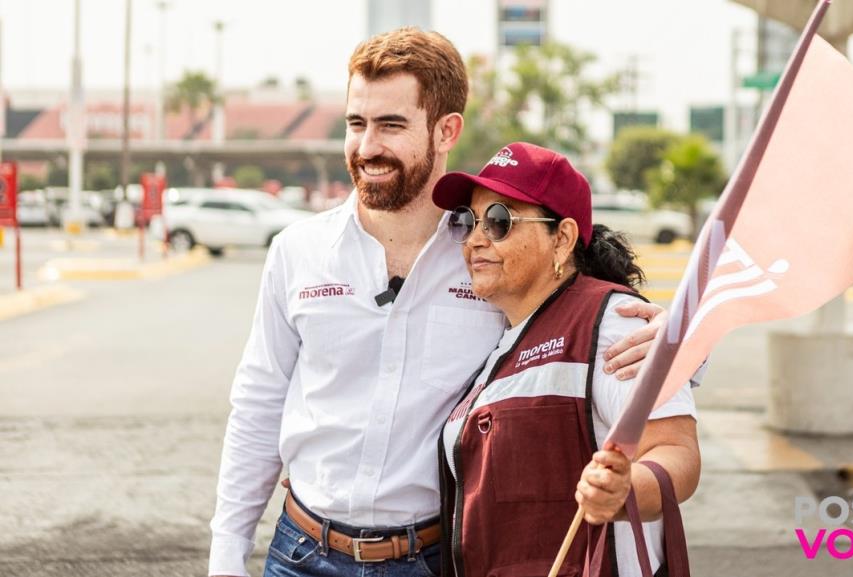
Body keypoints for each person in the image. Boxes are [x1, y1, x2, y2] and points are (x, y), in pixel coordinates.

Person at [208, 28, 666, 577]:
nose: (367, 146)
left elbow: (590, 315)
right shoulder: (295, 252)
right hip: (299, 553)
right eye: (357, 124)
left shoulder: (488, 254)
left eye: (392, 125)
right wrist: (227, 556)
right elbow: (258, 408)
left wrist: (675, 343)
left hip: (433, 559)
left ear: (446, 130)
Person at [433, 142, 702, 577]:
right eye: (468, 221)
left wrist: (625, 491)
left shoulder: (613, 321)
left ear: (562, 239)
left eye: (499, 222)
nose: (476, 240)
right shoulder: (504, 337)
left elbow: (676, 452)